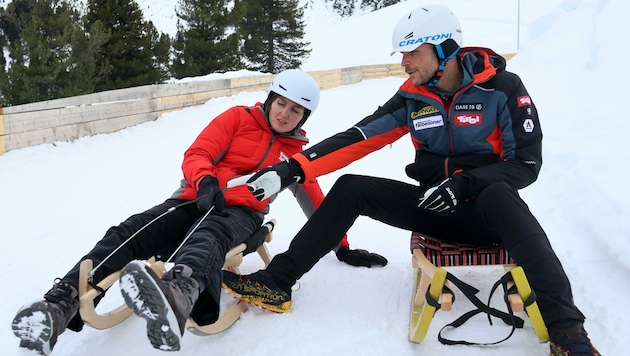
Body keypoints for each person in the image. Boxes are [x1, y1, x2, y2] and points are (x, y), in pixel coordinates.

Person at [221, 5, 601, 356]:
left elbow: (526, 163)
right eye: (402, 54)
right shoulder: (413, 97)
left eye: (411, 52)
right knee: (352, 187)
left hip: (490, 216)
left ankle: (568, 332)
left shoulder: (502, 88)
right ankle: (276, 282)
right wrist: (290, 170)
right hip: (434, 208)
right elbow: (360, 136)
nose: (403, 63)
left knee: (501, 193)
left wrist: (467, 183)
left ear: (445, 48)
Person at [11, 69, 387, 355]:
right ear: (270, 99)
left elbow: (316, 202)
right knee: (134, 230)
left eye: (296, 111)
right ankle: (60, 304)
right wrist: (205, 182)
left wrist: (342, 246)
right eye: (282, 104)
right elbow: (198, 153)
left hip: (241, 215)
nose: (285, 114)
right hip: (196, 197)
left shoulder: (296, 157)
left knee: (211, 235)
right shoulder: (238, 118)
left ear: (303, 118)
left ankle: (179, 293)